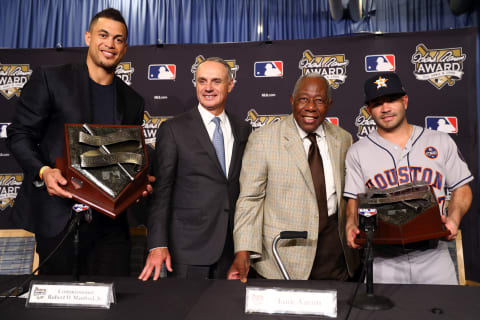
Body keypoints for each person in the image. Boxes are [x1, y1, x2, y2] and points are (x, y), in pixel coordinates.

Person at [7, 8, 152, 276]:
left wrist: (138, 183)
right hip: (58, 218)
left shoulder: (132, 100)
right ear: (88, 37)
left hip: (110, 223)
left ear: (125, 46)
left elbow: (126, 157)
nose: (110, 44)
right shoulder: (52, 78)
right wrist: (43, 171)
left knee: (113, 302)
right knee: (58, 306)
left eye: (119, 39)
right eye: (103, 35)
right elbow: (19, 134)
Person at [228, 73, 359, 281]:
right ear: (292, 100)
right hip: (281, 259)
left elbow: (349, 196)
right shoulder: (264, 140)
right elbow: (250, 200)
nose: (310, 107)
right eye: (304, 99)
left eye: (319, 100)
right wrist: (243, 250)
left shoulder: (343, 139)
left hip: (334, 258)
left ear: (329, 104)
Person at [344, 72, 473, 284]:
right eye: (377, 103)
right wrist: (350, 224)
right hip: (384, 258)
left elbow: (462, 188)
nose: (385, 108)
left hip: (434, 255)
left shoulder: (440, 141)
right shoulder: (357, 151)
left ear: (404, 101)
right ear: (369, 110)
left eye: (391, 100)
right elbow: (354, 200)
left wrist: (454, 217)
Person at [138, 57, 251, 280]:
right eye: (202, 81)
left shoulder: (243, 129)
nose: (208, 88)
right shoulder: (173, 129)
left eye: (216, 81)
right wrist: (157, 244)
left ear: (230, 85)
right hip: (187, 250)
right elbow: (162, 192)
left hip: (231, 249)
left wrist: (244, 247)